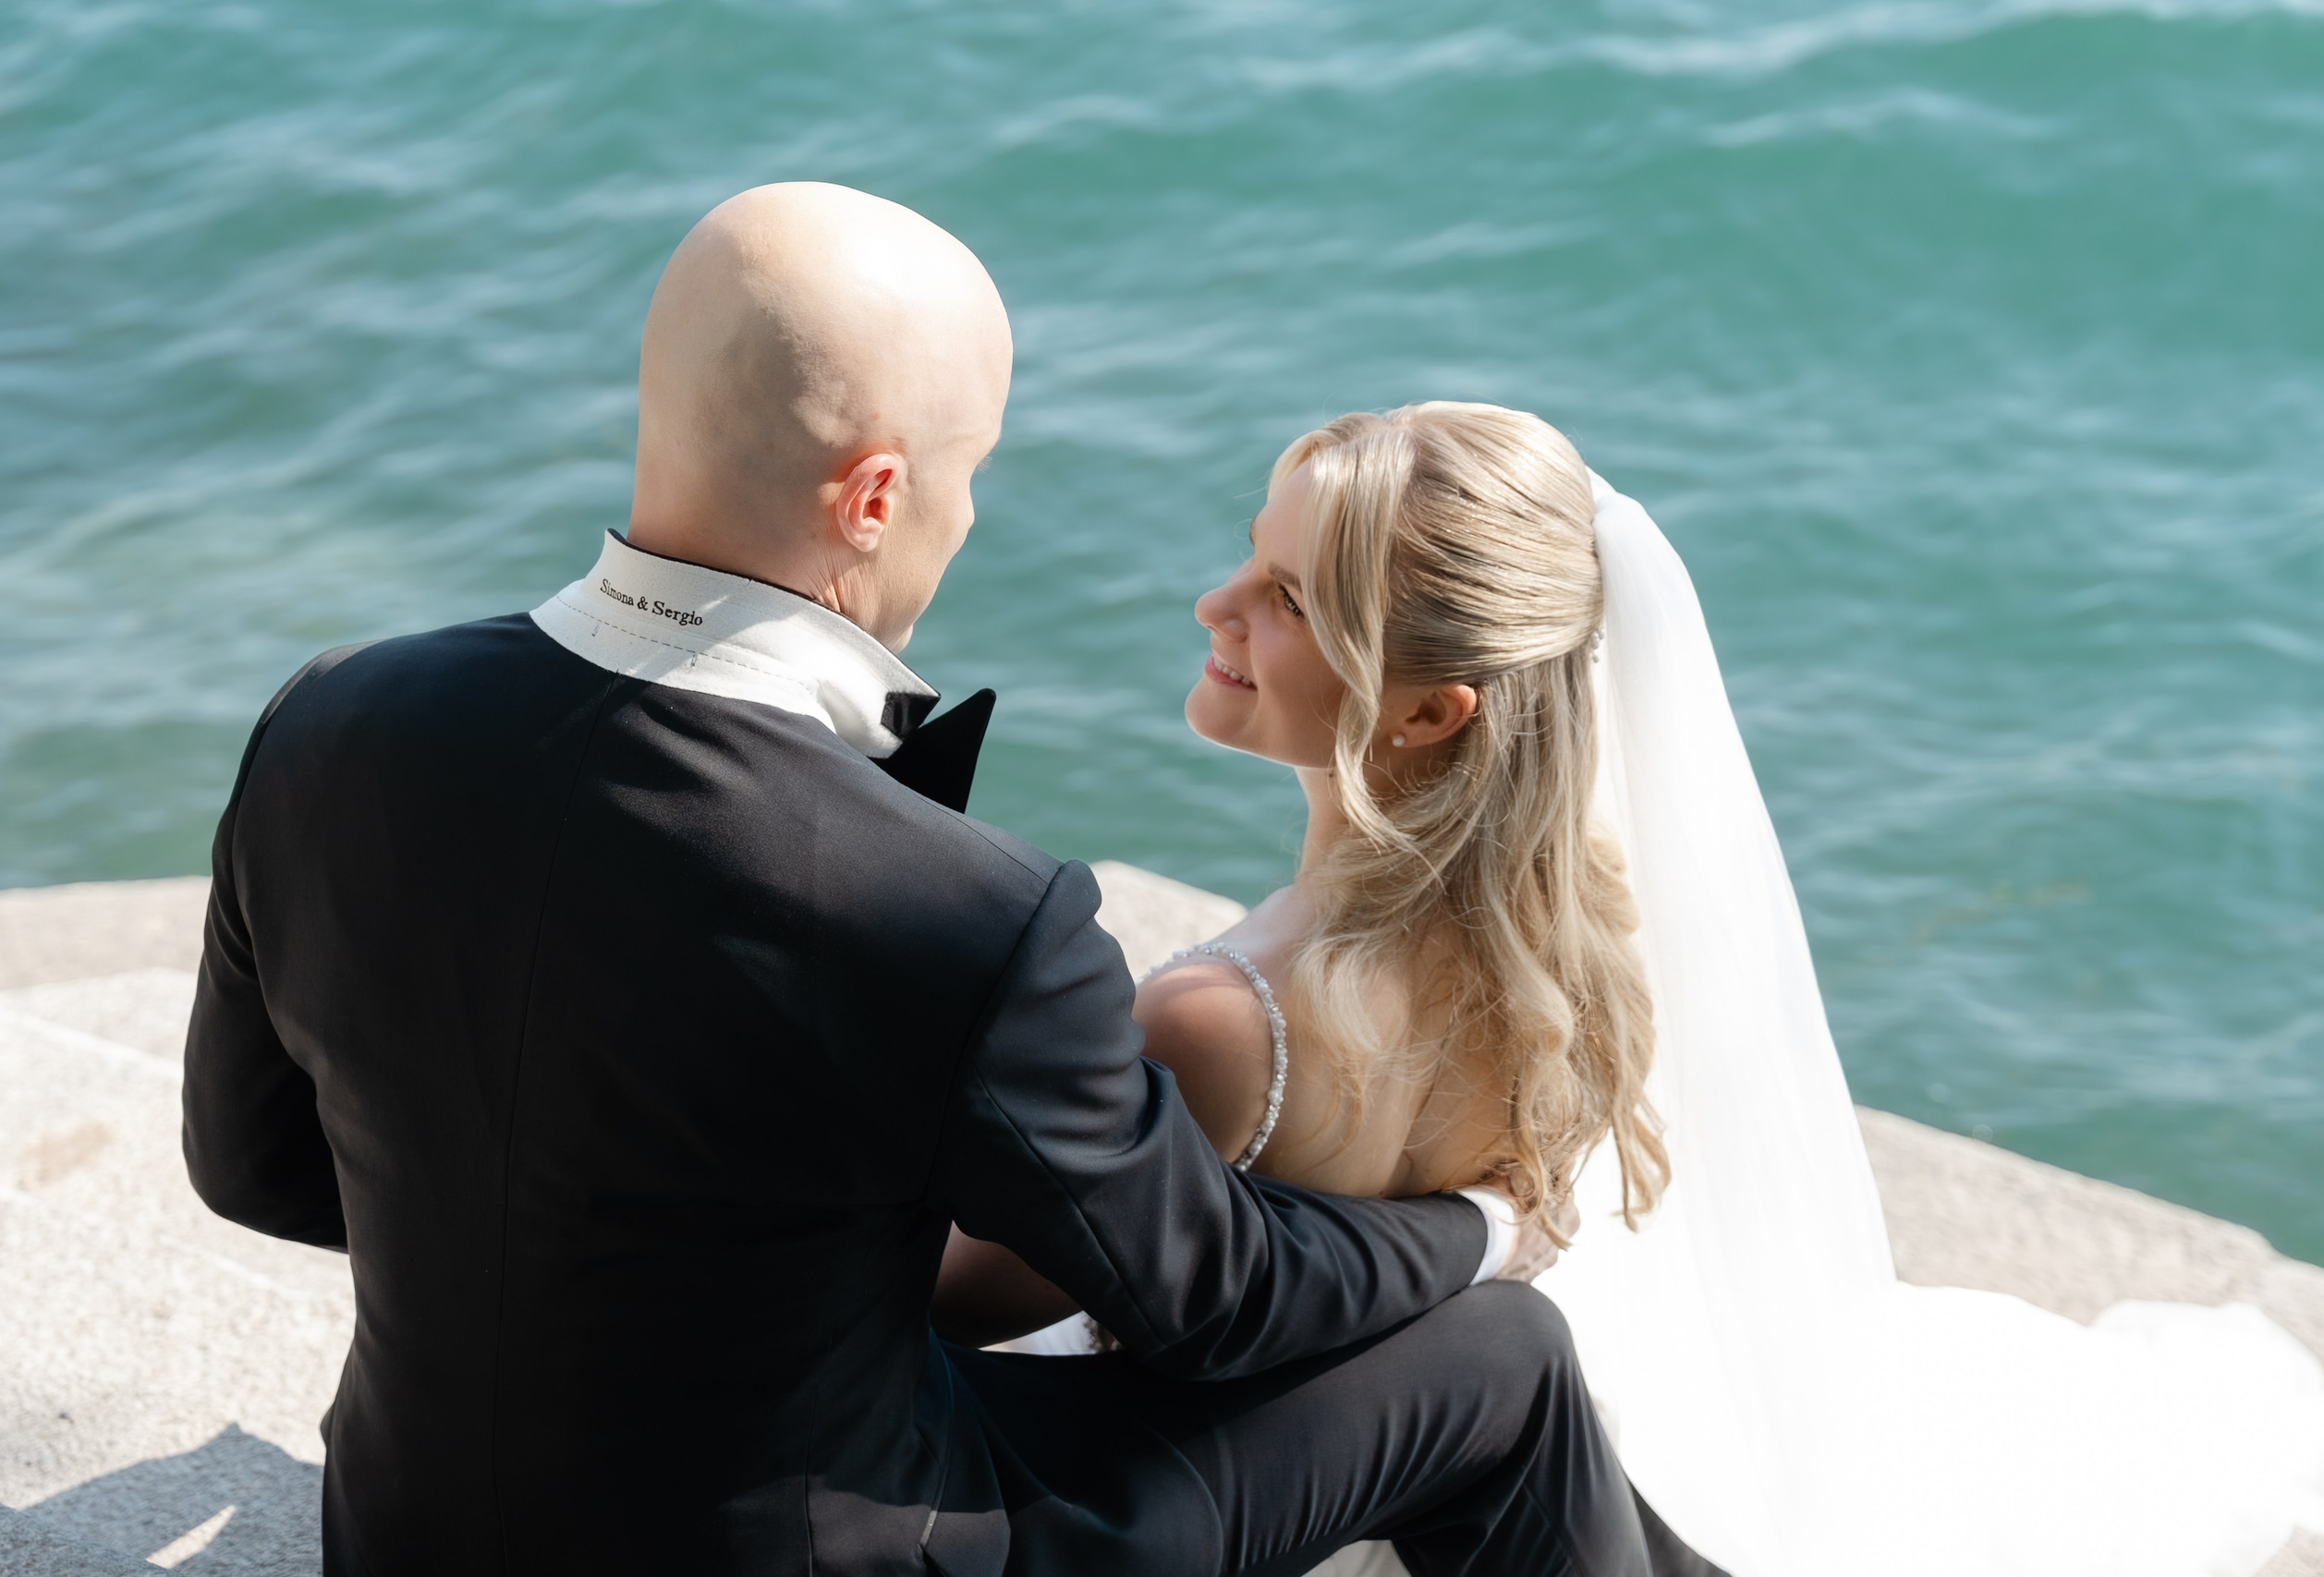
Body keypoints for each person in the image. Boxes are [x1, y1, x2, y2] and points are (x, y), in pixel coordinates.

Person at [180, 185, 1684, 1576]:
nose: (969, 517)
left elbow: (250, 1166)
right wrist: (1487, 1225)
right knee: (1508, 1361)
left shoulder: (327, 718)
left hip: (407, 1534)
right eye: (972, 473)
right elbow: (1216, 1299)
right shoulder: (971, 912)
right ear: (878, 496)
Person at [941, 401, 2324, 1577]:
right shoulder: (1568, 959)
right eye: (1253, 556)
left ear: (1430, 711)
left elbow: (971, 1300)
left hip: (1246, 1495)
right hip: (1441, 1482)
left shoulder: (1221, 1020)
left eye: (1289, 601)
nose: (1216, 604)